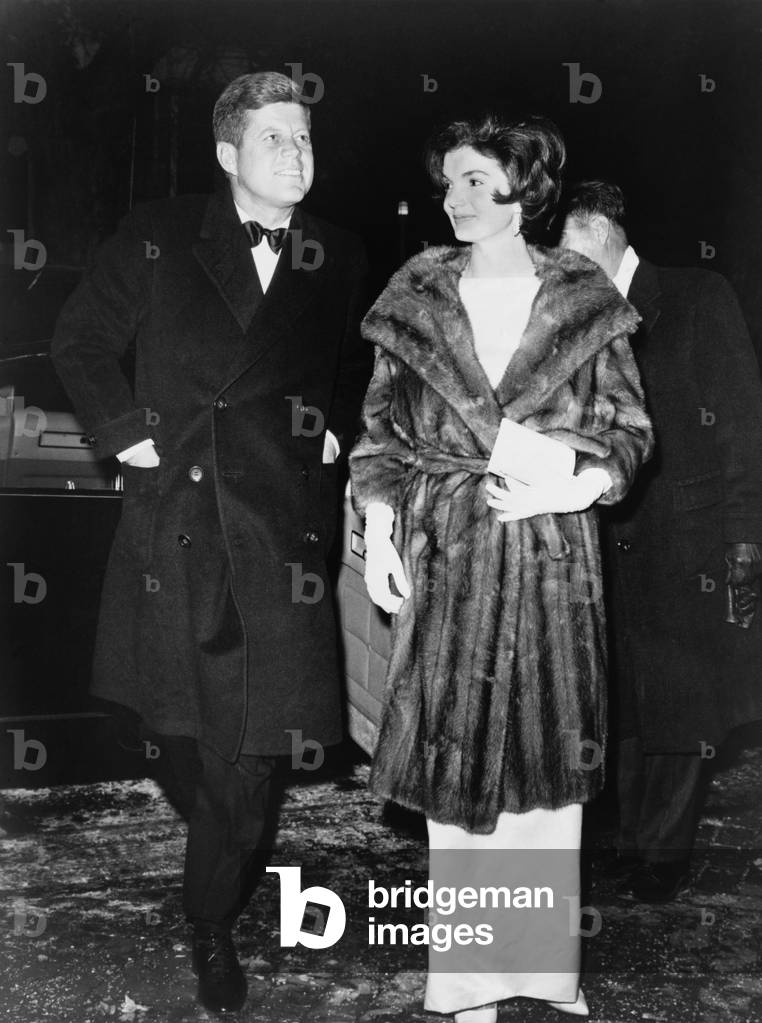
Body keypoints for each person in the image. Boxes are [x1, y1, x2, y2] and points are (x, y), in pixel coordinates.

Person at [51, 71, 369, 1013]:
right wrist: (126, 434)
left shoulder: (340, 252)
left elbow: (356, 363)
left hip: (278, 543)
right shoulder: (159, 231)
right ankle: (223, 849)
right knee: (178, 735)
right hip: (177, 532)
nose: (297, 154)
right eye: (275, 138)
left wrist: (340, 427)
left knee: (253, 756)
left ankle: (208, 917)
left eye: (306, 138)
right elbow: (78, 341)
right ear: (229, 153)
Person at [349, 116, 653, 1023]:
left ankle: (543, 972)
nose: (459, 198)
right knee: (457, 773)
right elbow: (379, 436)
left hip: (553, 557)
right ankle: (468, 984)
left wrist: (575, 484)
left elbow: (632, 432)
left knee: (550, 778)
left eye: (481, 181)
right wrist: (379, 530)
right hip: (449, 549)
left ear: (527, 190)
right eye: (450, 182)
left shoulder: (585, 297)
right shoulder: (413, 295)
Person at [560, 181, 762, 902]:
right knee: (626, 704)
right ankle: (634, 842)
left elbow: (742, 423)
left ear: (604, 233)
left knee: (681, 710)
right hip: (605, 538)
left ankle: (662, 855)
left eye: (572, 252)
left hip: (689, 542)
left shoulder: (697, 295)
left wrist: (745, 538)